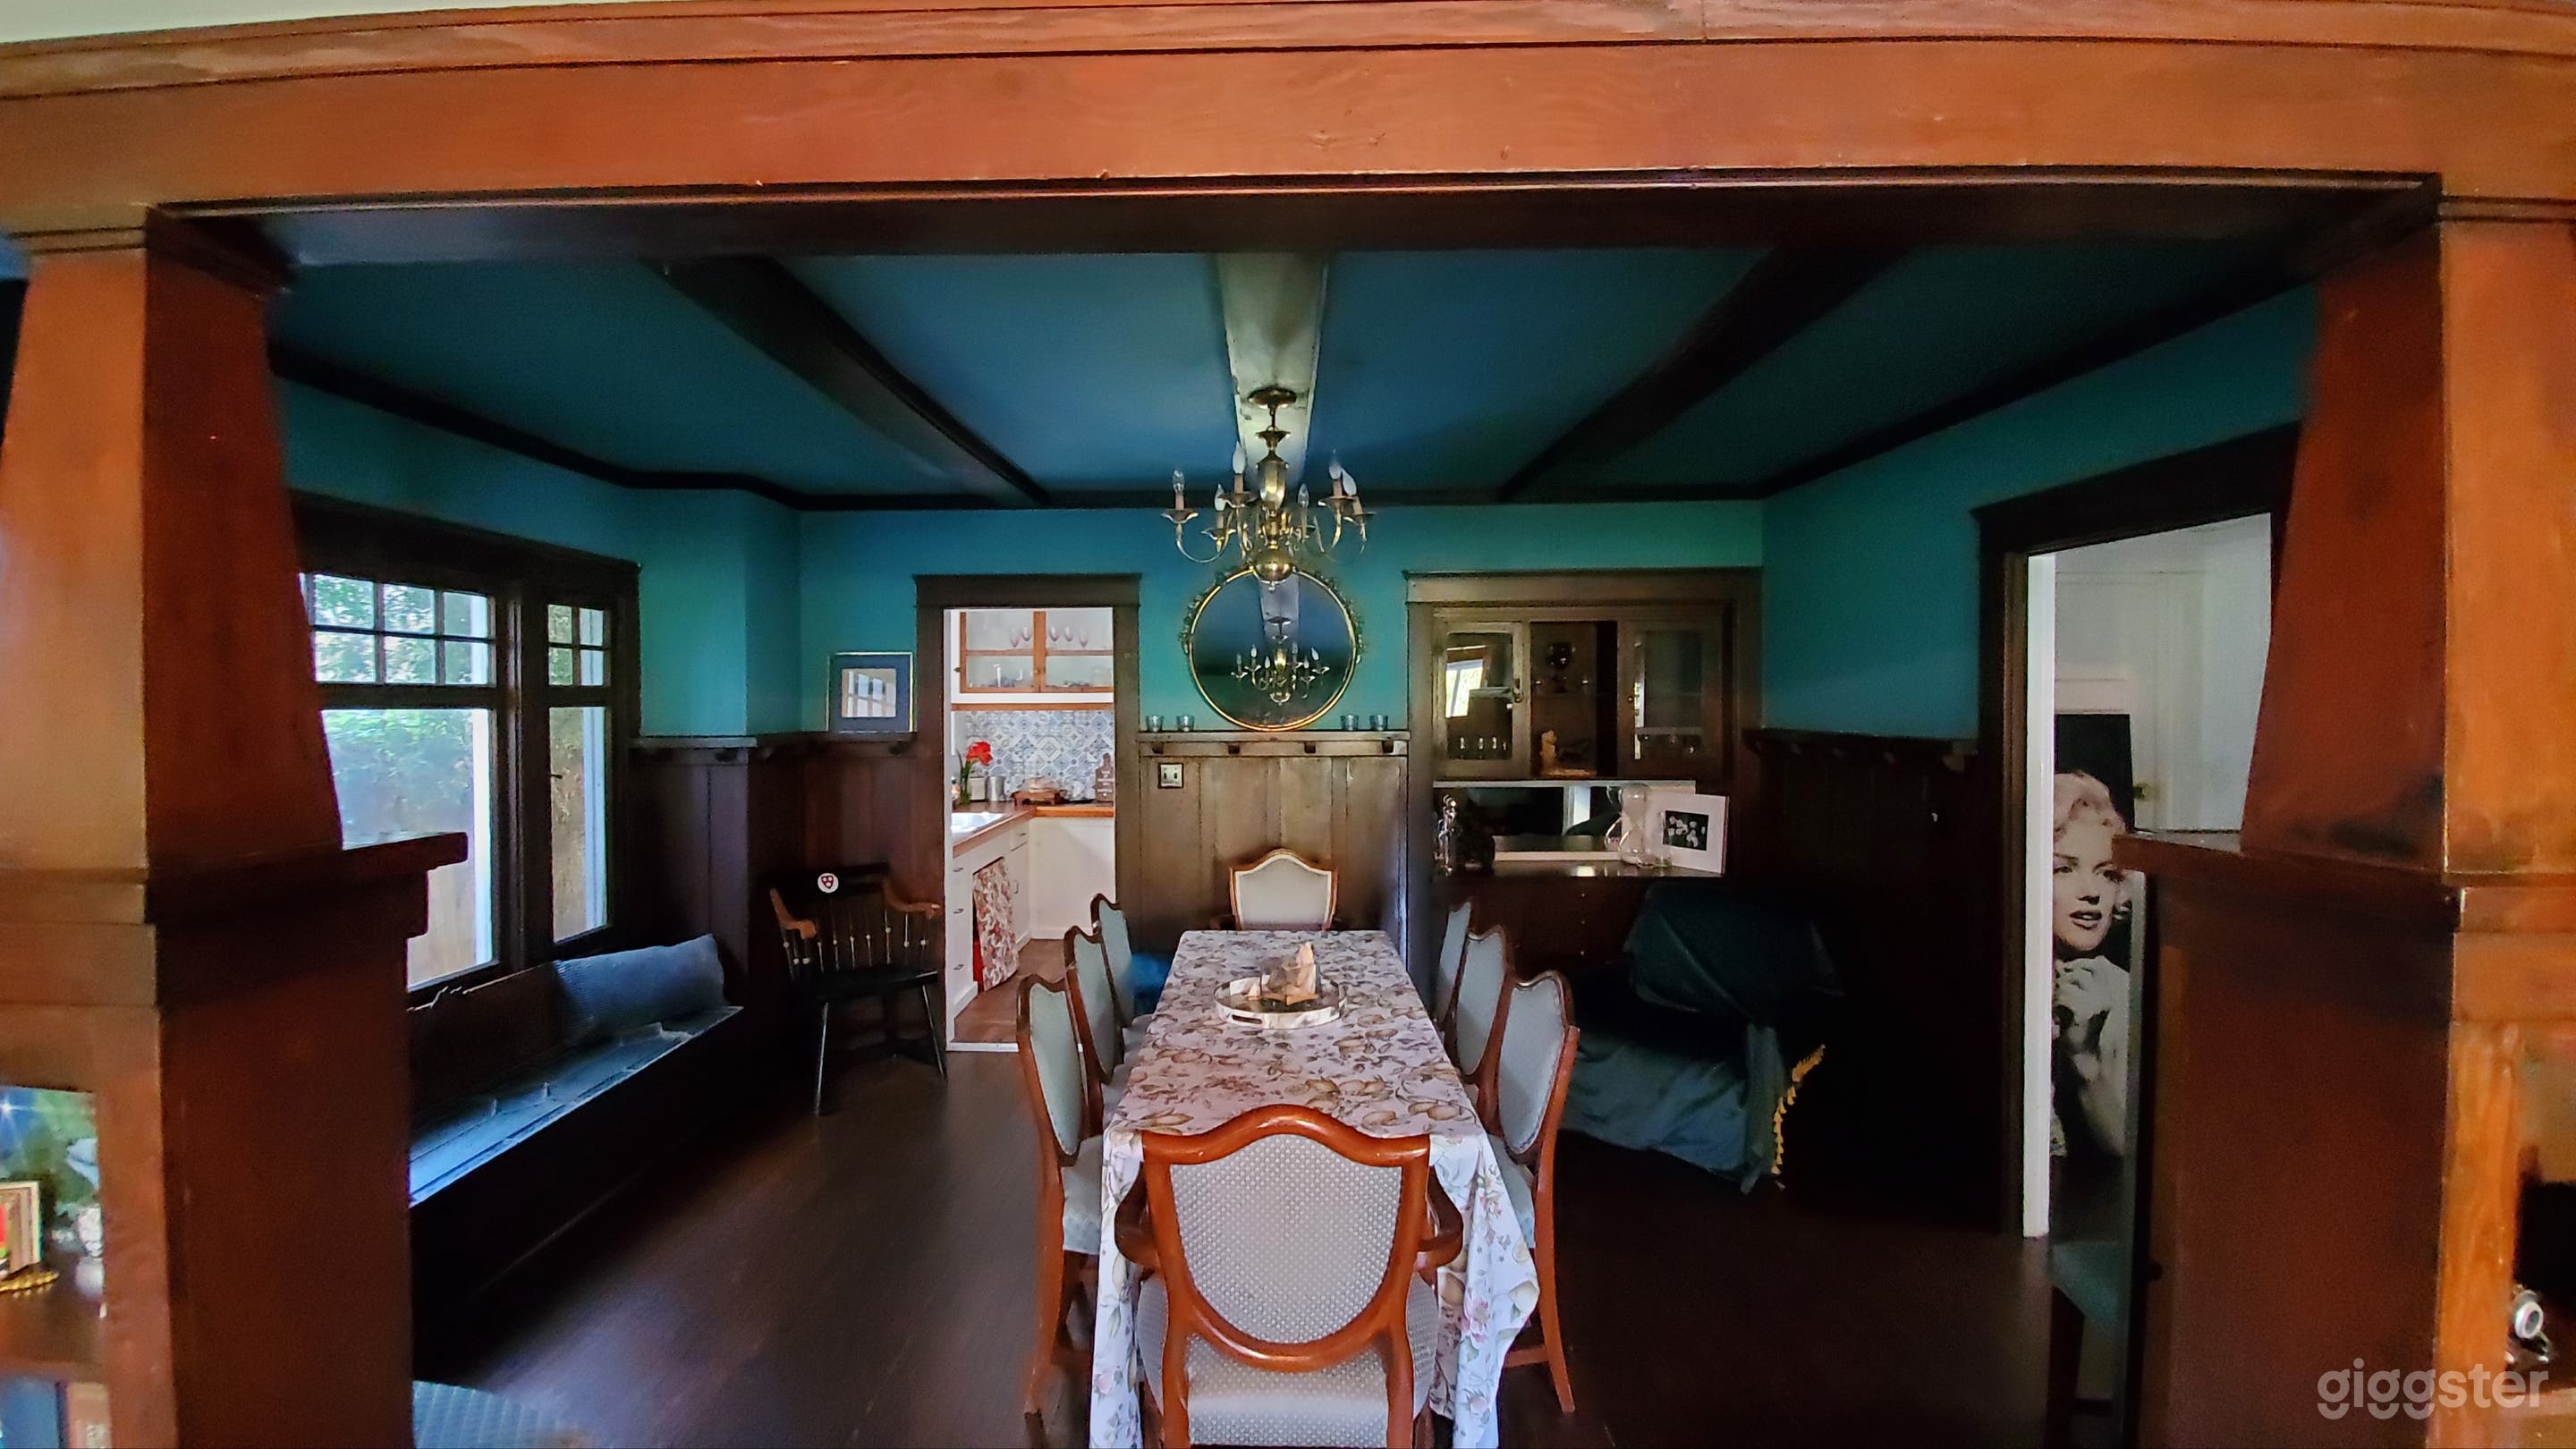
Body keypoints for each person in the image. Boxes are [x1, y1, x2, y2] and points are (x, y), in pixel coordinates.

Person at [2053, 770, 2133, 1157]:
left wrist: (2084, 1059)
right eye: (2064, 869)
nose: (2091, 894)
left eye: (2106, 874)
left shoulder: (2125, 994)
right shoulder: (1997, 981)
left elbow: (2126, 1158)